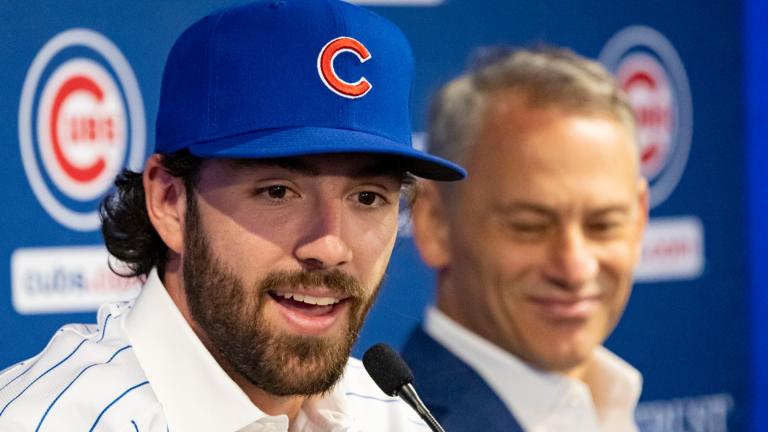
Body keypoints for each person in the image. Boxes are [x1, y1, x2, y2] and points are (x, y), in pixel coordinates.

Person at [0, 1, 465, 431]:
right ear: (169, 202)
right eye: (278, 192)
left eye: (367, 198)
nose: (330, 246)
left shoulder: (394, 418)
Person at [402, 47, 648, 431]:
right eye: (529, 226)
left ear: (640, 218)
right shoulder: (394, 422)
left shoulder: (612, 403)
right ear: (434, 221)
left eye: (603, 225)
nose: (574, 267)